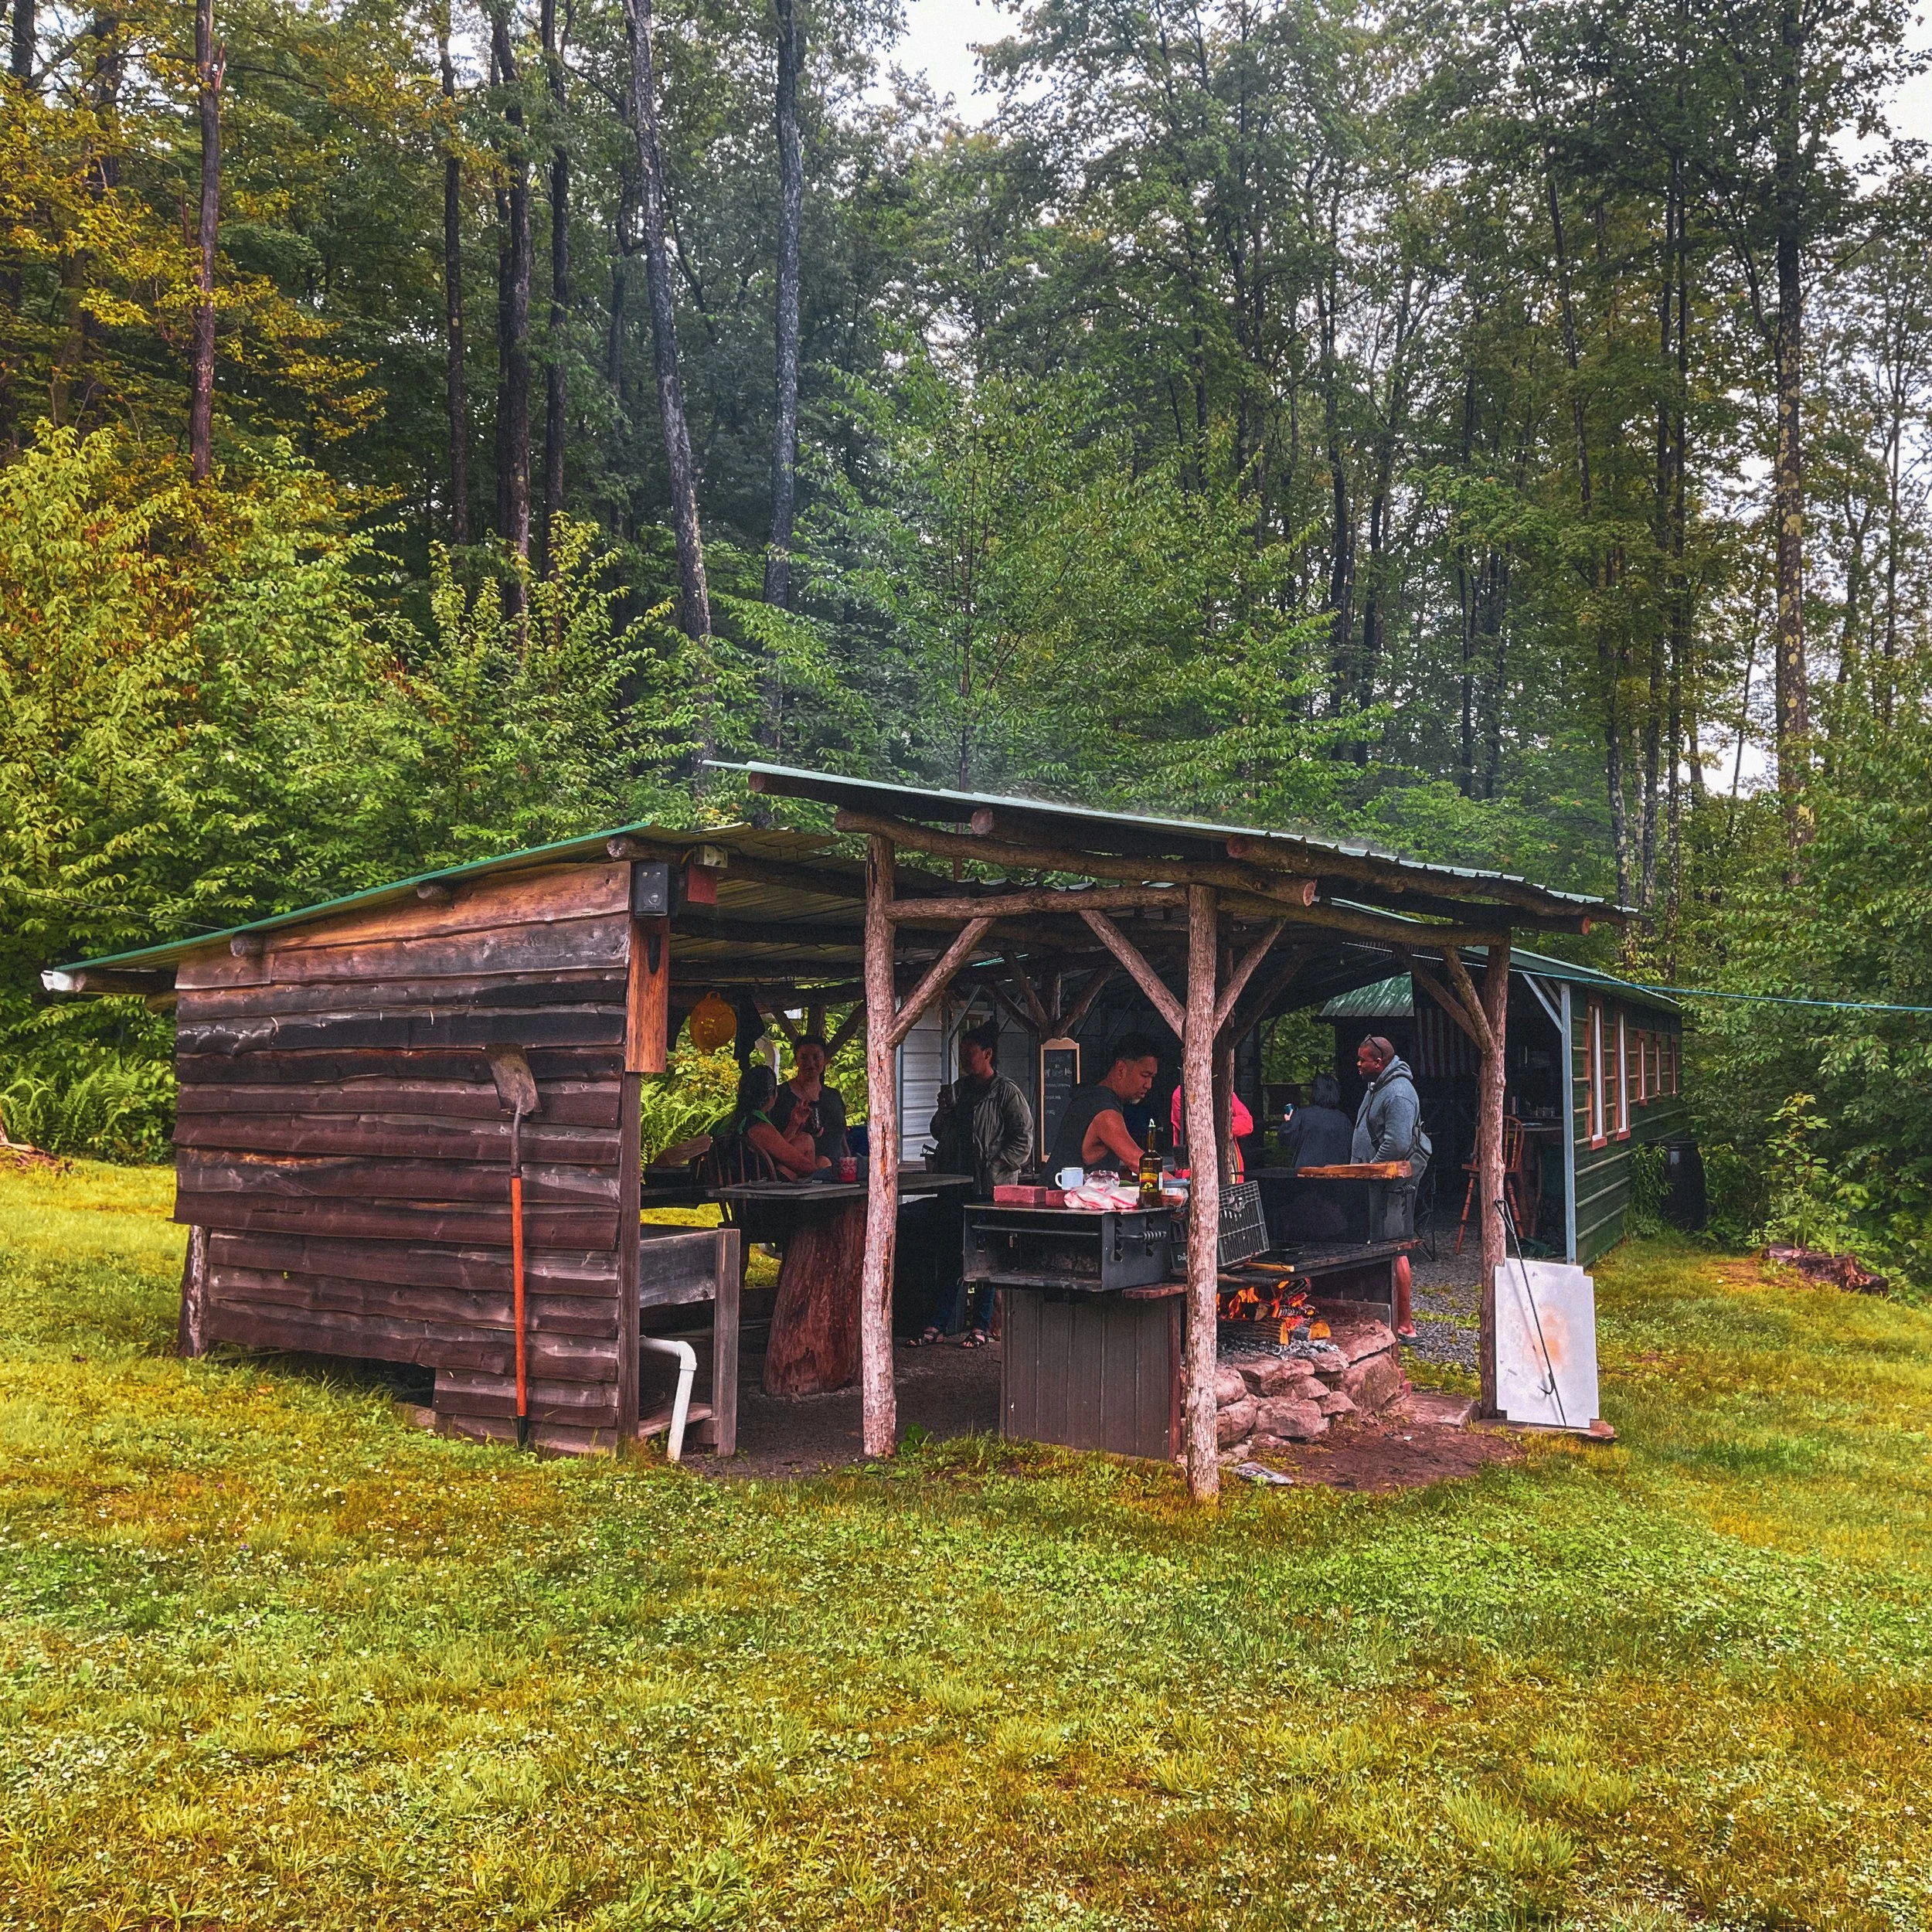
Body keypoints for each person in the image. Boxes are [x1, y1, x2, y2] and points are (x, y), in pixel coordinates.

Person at [920, 1025, 1035, 1348]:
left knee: (987, 1255)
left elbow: (1024, 1139)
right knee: (951, 1254)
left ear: (987, 1054)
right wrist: (944, 1111)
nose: (964, 1059)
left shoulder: (1006, 1092)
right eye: (962, 1053)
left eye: (969, 1053)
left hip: (989, 1189)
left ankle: (981, 1326)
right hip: (955, 1183)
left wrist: (996, 1165)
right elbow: (938, 1132)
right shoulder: (959, 1090)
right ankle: (939, 1323)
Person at [1352, 1035, 1430, 1338]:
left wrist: (1371, 1168)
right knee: (1376, 1246)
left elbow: (1397, 1143)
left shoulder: (1398, 1093)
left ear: (1379, 1062)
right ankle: (1381, 1317)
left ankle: (1404, 1325)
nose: (1358, 1065)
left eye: (1363, 1060)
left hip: (1393, 1184)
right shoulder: (1377, 1087)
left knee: (1396, 1248)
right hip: (1375, 1181)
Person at [1047, 1032, 1162, 1176]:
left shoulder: (1090, 1098)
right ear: (1121, 1069)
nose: (1149, 1085)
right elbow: (1138, 1162)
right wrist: (1178, 1184)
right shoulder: (1104, 1112)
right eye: (1145, 1075)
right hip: (1059, 1191)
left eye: (1152, 1077)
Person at [726, 1063, 828, 1182]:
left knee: (819, 1157)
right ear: (772, 1095)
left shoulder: (731, 1120)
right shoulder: (759, 1127)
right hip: (761, 1188)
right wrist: (830, 1175)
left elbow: (776, 1149)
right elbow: (802, 1165)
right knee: (810, 1147)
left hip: (735, 1185)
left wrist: (794, 1124)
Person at [770, 1035, 849, 1164]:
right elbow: (775, 1144)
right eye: (804, 1058)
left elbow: (842, 1137)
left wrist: (849, 1161)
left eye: (816, 1057)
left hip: (838, 1167)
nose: (811, 1063)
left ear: (825, 1060)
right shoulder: (780, 1095)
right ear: (796, 1060)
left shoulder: (833, 1096)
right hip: (802, 1168)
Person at [1168, 1082, 1255, 1178]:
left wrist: (1221, 1124)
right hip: (1195, 1169)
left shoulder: (1223, 1091)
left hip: (1229, 1166)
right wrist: (1221, 1123)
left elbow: (1247, 1123)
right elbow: (1196, 1130)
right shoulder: (1181, 1094)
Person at [1278, 1072, 1353, 1170]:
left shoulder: (1303, 1115)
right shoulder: (1344, 1120)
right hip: (1336, 1173)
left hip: (1307, 1173)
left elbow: (1285, 1139)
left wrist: (1288, 1122)